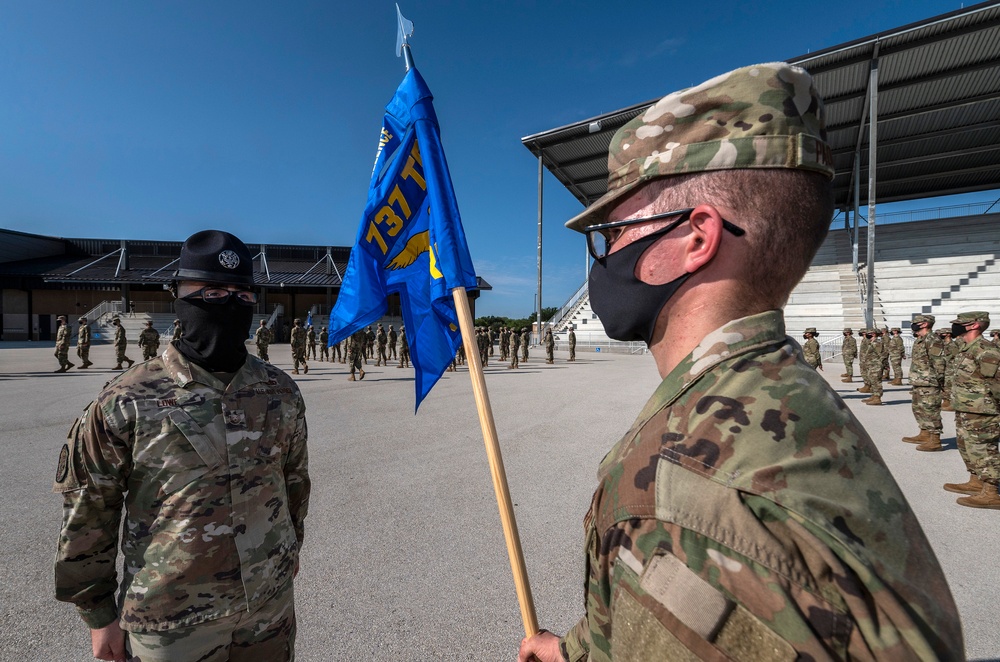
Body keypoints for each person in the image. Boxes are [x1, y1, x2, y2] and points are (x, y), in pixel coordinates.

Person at [518, 63, 961, 662]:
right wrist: (576, 651)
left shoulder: (687, 493)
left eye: (617, 230)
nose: (606, 254)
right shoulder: (782, 388)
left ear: (696, 238)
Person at [54, 229, 310, 661]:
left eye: (242, 293)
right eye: (210, 291)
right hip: (171, 624)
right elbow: (89, 510)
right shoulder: (126, 399)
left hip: (268, 611)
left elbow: (294, 482)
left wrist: (290, 552)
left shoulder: (279, 391)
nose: (229, 302)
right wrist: (98, 614)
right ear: (178, 296)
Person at [943, 311, 1000, 508]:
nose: (956, 327)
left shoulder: (985, 350)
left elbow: (996, 384)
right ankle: (977, 482)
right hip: (966, 408)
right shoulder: (967, 347)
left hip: (982, 410)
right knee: (967, 447)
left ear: (974, 325)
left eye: (961, 323)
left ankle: (991, 493)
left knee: (983, 449)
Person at [903, 314, 947, 451]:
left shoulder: (933, 340)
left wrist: (939, 382)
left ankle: (935, 440)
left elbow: (939, 363)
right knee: (918, 409)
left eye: (917, 323)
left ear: (925, 324)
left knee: (931, 411)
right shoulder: (920, 340)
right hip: (919, 381)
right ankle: (924, 433)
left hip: (930, 383)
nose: (914, 325)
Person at [861, 328, 884, 406]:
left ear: (874, 334)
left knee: (876, 382)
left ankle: (877, 398)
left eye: (869, 333)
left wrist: (881, 365)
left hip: (876, 365)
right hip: (871, 365)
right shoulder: (872, 342)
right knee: (872, 381)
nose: (867, 335)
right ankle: (874, 396)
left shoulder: (877, 343)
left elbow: (881, 355)